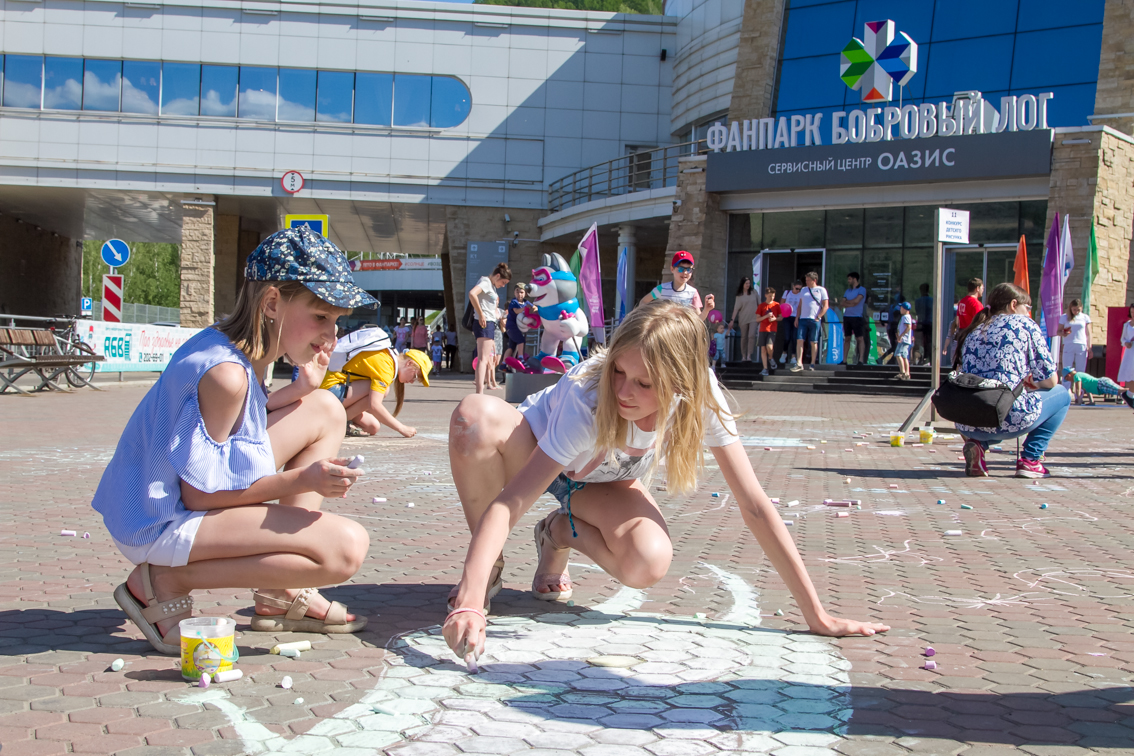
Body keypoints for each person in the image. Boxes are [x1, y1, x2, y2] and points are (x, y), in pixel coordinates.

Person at [442, 301, 889, 659]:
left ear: (681, 383)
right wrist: (470, 600)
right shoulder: (588, 397)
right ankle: (487, 572)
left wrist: (816, 614)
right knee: (472, 417)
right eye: (619, 371)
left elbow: (754, 505)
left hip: (597, 482)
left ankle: (557, 534)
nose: (623, 392)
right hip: (533, 453)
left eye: (644, 383)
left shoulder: (702, 397)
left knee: (647, 562)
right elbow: (510, 502)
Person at [92, 226, 372, 656]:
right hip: (159, 521)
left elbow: (239, 423)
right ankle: (162, 582)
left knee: (325, 409)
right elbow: (200, 495)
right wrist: (304, 479)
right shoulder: (227, 376)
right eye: (321, 317)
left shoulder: (230, 345)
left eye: (336, 321)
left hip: (157, 499)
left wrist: (300, 391)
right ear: (272, 303)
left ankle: (279, 591)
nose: (331, 336)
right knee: (344, 549)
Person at [954, 283, 1069, 479]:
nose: (1028, 313)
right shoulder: (1024, 325)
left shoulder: (975, 329)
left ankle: (979, 445)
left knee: (995, 407)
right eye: (1027, 307)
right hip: (1006, 416)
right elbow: (1050, 381)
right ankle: (1031, 460)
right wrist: (1034, 382)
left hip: (968, 419)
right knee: (1062, 395)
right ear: (1013, 304)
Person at [320, 333, 433, 438]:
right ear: (409, 363)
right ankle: (338, 421)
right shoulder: (387, 367)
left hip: (337, 390)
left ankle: (340, 420)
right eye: (416, 376)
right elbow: (374, 406)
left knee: (373, 427)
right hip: (329, 390)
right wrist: (401, 428)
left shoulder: (388, 355)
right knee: (383, 391)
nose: (412, 381)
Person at [468, 263, 512, 395]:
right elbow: (472, 294)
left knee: (485, 359)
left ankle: (480, 391)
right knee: (483, 359)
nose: (503, 285)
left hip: (489, 323)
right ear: (497, 276)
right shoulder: (486, 282)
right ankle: (479, 392)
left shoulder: (490, 285)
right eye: (503, 282)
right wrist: (481, 313)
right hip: (485, 322)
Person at [639, 250, 715, 319]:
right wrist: (651, 317)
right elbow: (643, 302)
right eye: (681, 269)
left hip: (683, 329)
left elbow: (698, 319)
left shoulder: (693, 292)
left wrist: (706, 310)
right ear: (672, 269)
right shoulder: (661, 289)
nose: (685, 272)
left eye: (689, 269)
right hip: (665, 329)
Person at [790, 271, 828, 372]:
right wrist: (797, 318)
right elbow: (800, 305)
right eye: (806, 280)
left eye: (808, 280)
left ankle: (812, 363)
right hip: (803, 318)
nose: (806, 282)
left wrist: (819, 317)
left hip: (814, 319)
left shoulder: (821, 290)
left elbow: (826, 306)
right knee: (799, 339)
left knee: (813, 341)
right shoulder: (803, 290)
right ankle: (799, 363)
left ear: (814, 280)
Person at [944, 278, 984, 358]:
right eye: (982, 288)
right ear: (977, 288)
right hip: (972, 337)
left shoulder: (962, 301)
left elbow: (957, 321)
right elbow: (980, 322)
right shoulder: (976, 304)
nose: (983, 290)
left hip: (961, 335)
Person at [1059, 299, 1092, 384]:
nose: (1076, 312)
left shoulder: (1085, 317)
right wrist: (1064, 333)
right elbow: (1058, 331)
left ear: (1081, 308)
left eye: (1078, 310)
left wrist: (1089, 347)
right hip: (1068, 344)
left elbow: (1089, 333)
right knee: (1067, 369)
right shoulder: (1064, 317)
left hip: (1081, 344)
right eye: (1074, 310)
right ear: (1070, 308)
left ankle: (1080, 389)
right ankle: (1066, 389)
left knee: (1081, 370)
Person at [727, 276, 759, 362]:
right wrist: (732, 320)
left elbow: (759, 304)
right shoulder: (739, 296)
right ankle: (744, 356)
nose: (748, 285)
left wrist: (761, 316)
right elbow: (736, 309)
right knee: (744, 337)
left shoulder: (754, 292)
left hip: (754, 318)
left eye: (749, 283)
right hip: (743, 319)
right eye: (746, 283)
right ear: (742, 284)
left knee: (751, 336)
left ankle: (749, 355)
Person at [840, 272, 867, 365]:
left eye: (850, 279)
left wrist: (848, 302)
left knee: (859, 338)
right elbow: (842, 303)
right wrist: (851, 303)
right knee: (847, 338)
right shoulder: (847, 291)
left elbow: (857, 301)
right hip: (847, 317)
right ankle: (844, 360)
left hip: (857, 317)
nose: (848, 281)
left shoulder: (862, 289)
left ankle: (861, 360)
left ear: (855, 279)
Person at [755, 286, 781, 376]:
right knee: (763, 349)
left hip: (772, 329)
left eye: (773, 296)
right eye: (770, 296)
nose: (772, 298)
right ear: (766, 295)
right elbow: (757, 319)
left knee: (769, 347)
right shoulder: (761, 306)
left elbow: (781, 317)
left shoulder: (776, 305)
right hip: (763, 329)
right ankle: (765, 368)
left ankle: (770, 358)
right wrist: (766, 316)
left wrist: (774, 319)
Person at [503, 284, 528, 364]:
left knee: (511, 347)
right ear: (514, 293)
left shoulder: (526, 302)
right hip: (511, 326)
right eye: (517, 292)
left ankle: (504, 364)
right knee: (521, 340)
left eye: (521, 292)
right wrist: (525, 308)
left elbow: (533, 308)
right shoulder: (514, 302)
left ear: (525, 293)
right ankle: (520, 358)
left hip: (517, 327)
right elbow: (516, 311)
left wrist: (535, 308)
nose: (519, 294)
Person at [779, 280, 802, 366]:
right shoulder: (787, 293)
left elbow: (800, 307)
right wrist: (781, 314)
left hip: (796, 317)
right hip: (787, 316)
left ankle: (793, 356)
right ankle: (784, 353)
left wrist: (797, 318)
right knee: (787, 337)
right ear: (793, 287)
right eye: (796, 288)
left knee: (794, 337)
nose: (798, 290)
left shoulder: (800, 294)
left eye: (799, 289)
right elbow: (782, 303)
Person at [914, 283, 933, 365]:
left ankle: (923, 358)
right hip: (929, 323)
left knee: (921, 342)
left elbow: (917, 311)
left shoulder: (918, 301)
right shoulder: (932, 300)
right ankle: (928, 358)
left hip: (921, 323)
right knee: (929, 341)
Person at [894, 301, 913, 381]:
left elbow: (908, 327)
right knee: (904, 356)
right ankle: (907, 373)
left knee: (898, 354)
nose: (900, 309)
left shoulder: (905, 317)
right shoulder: (907, 317)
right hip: (905, 340)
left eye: (901, 308)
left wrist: (901, 336)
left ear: (905, 309)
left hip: (903, 340)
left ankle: (902, 372)